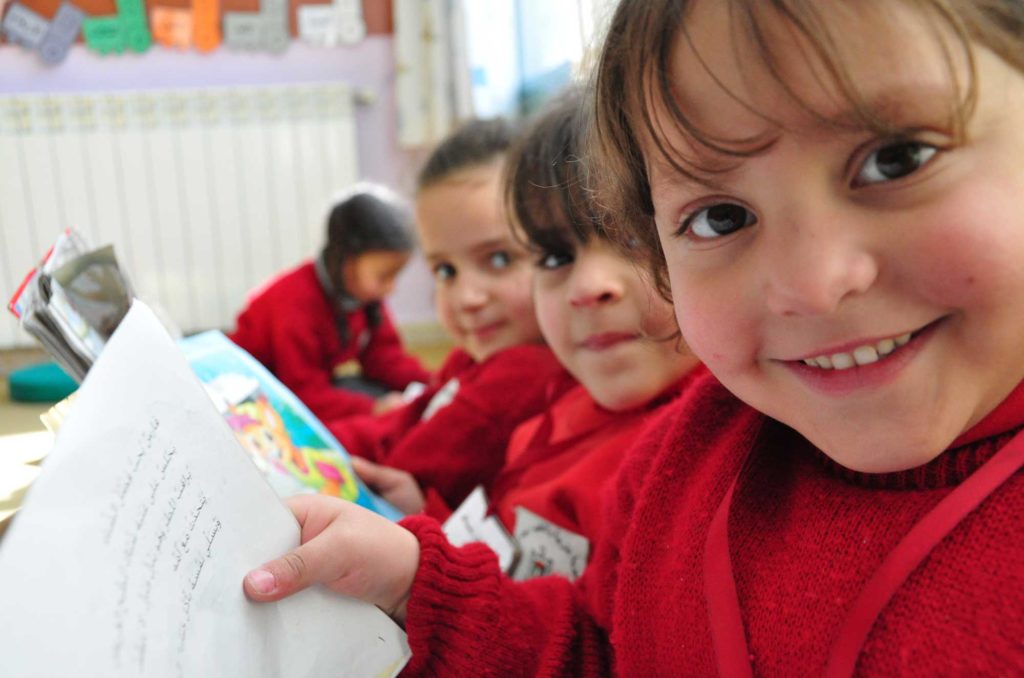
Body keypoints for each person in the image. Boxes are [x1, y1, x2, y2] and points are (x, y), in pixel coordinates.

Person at [246, 0, 1024, 674]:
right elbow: (607, 652)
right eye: (720, 217)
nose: (811, 285)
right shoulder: (682, 462)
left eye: (896, 160)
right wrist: (419, 586)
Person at [350, 90, 701, 583]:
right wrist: (428, 515)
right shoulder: (563, 401)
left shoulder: (680, 461)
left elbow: (577, 643)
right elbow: (503, 547)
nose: (587, 287)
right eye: (555, 257)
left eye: (634, 238)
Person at [329, 118, 572, 512]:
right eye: (445, 271)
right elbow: (407, 419)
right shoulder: (477, 357)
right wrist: (313, 437)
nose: (466, 298)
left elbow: (400, 468)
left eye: (499, 258)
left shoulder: (521, 373)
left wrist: (321, 453)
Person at [229, 184, 430, 422]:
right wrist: (374, 408)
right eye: (384, 276)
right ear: (347, 260)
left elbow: (383, 356)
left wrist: (433, 383)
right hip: (251, 393)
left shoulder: (363, 295)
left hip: (305, 383)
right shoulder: (296, 304)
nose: (391, 288)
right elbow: (304, 393)